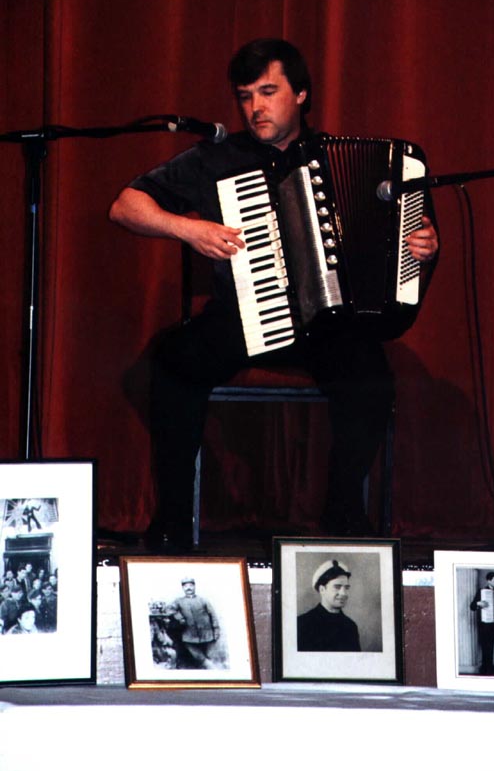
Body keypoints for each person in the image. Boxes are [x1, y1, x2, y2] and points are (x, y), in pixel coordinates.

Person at [109, 38, 439, 546]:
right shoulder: (217, 158)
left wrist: (423, 246)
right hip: (243, 315)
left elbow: (405, 243)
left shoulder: (339, 157)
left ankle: (344, 517)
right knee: (173, 359)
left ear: (301, 94)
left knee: (370, 376)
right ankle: (173, 523)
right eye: (245, 96)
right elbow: (125, 206)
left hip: (327, 324)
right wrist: (188, 229)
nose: (255, 108)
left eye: (268, 92)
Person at [297, 559, 360, 651]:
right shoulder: (302, 624)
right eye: (337, 587)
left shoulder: (350, 627)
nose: (343, 593)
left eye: (346, 588)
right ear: (322, 589)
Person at [166, 577, 223, 668]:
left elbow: (213, 616)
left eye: (191, 585)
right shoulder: (179, 601)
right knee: (199, 658)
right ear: (183, 588)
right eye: (185, 586)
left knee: (209, 657)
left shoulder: (203, 600)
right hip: (189, 636)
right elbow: (169, 610)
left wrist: (216, 630)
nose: (188, 588)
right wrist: (180, 618)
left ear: (194, 586)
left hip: (207, 635)